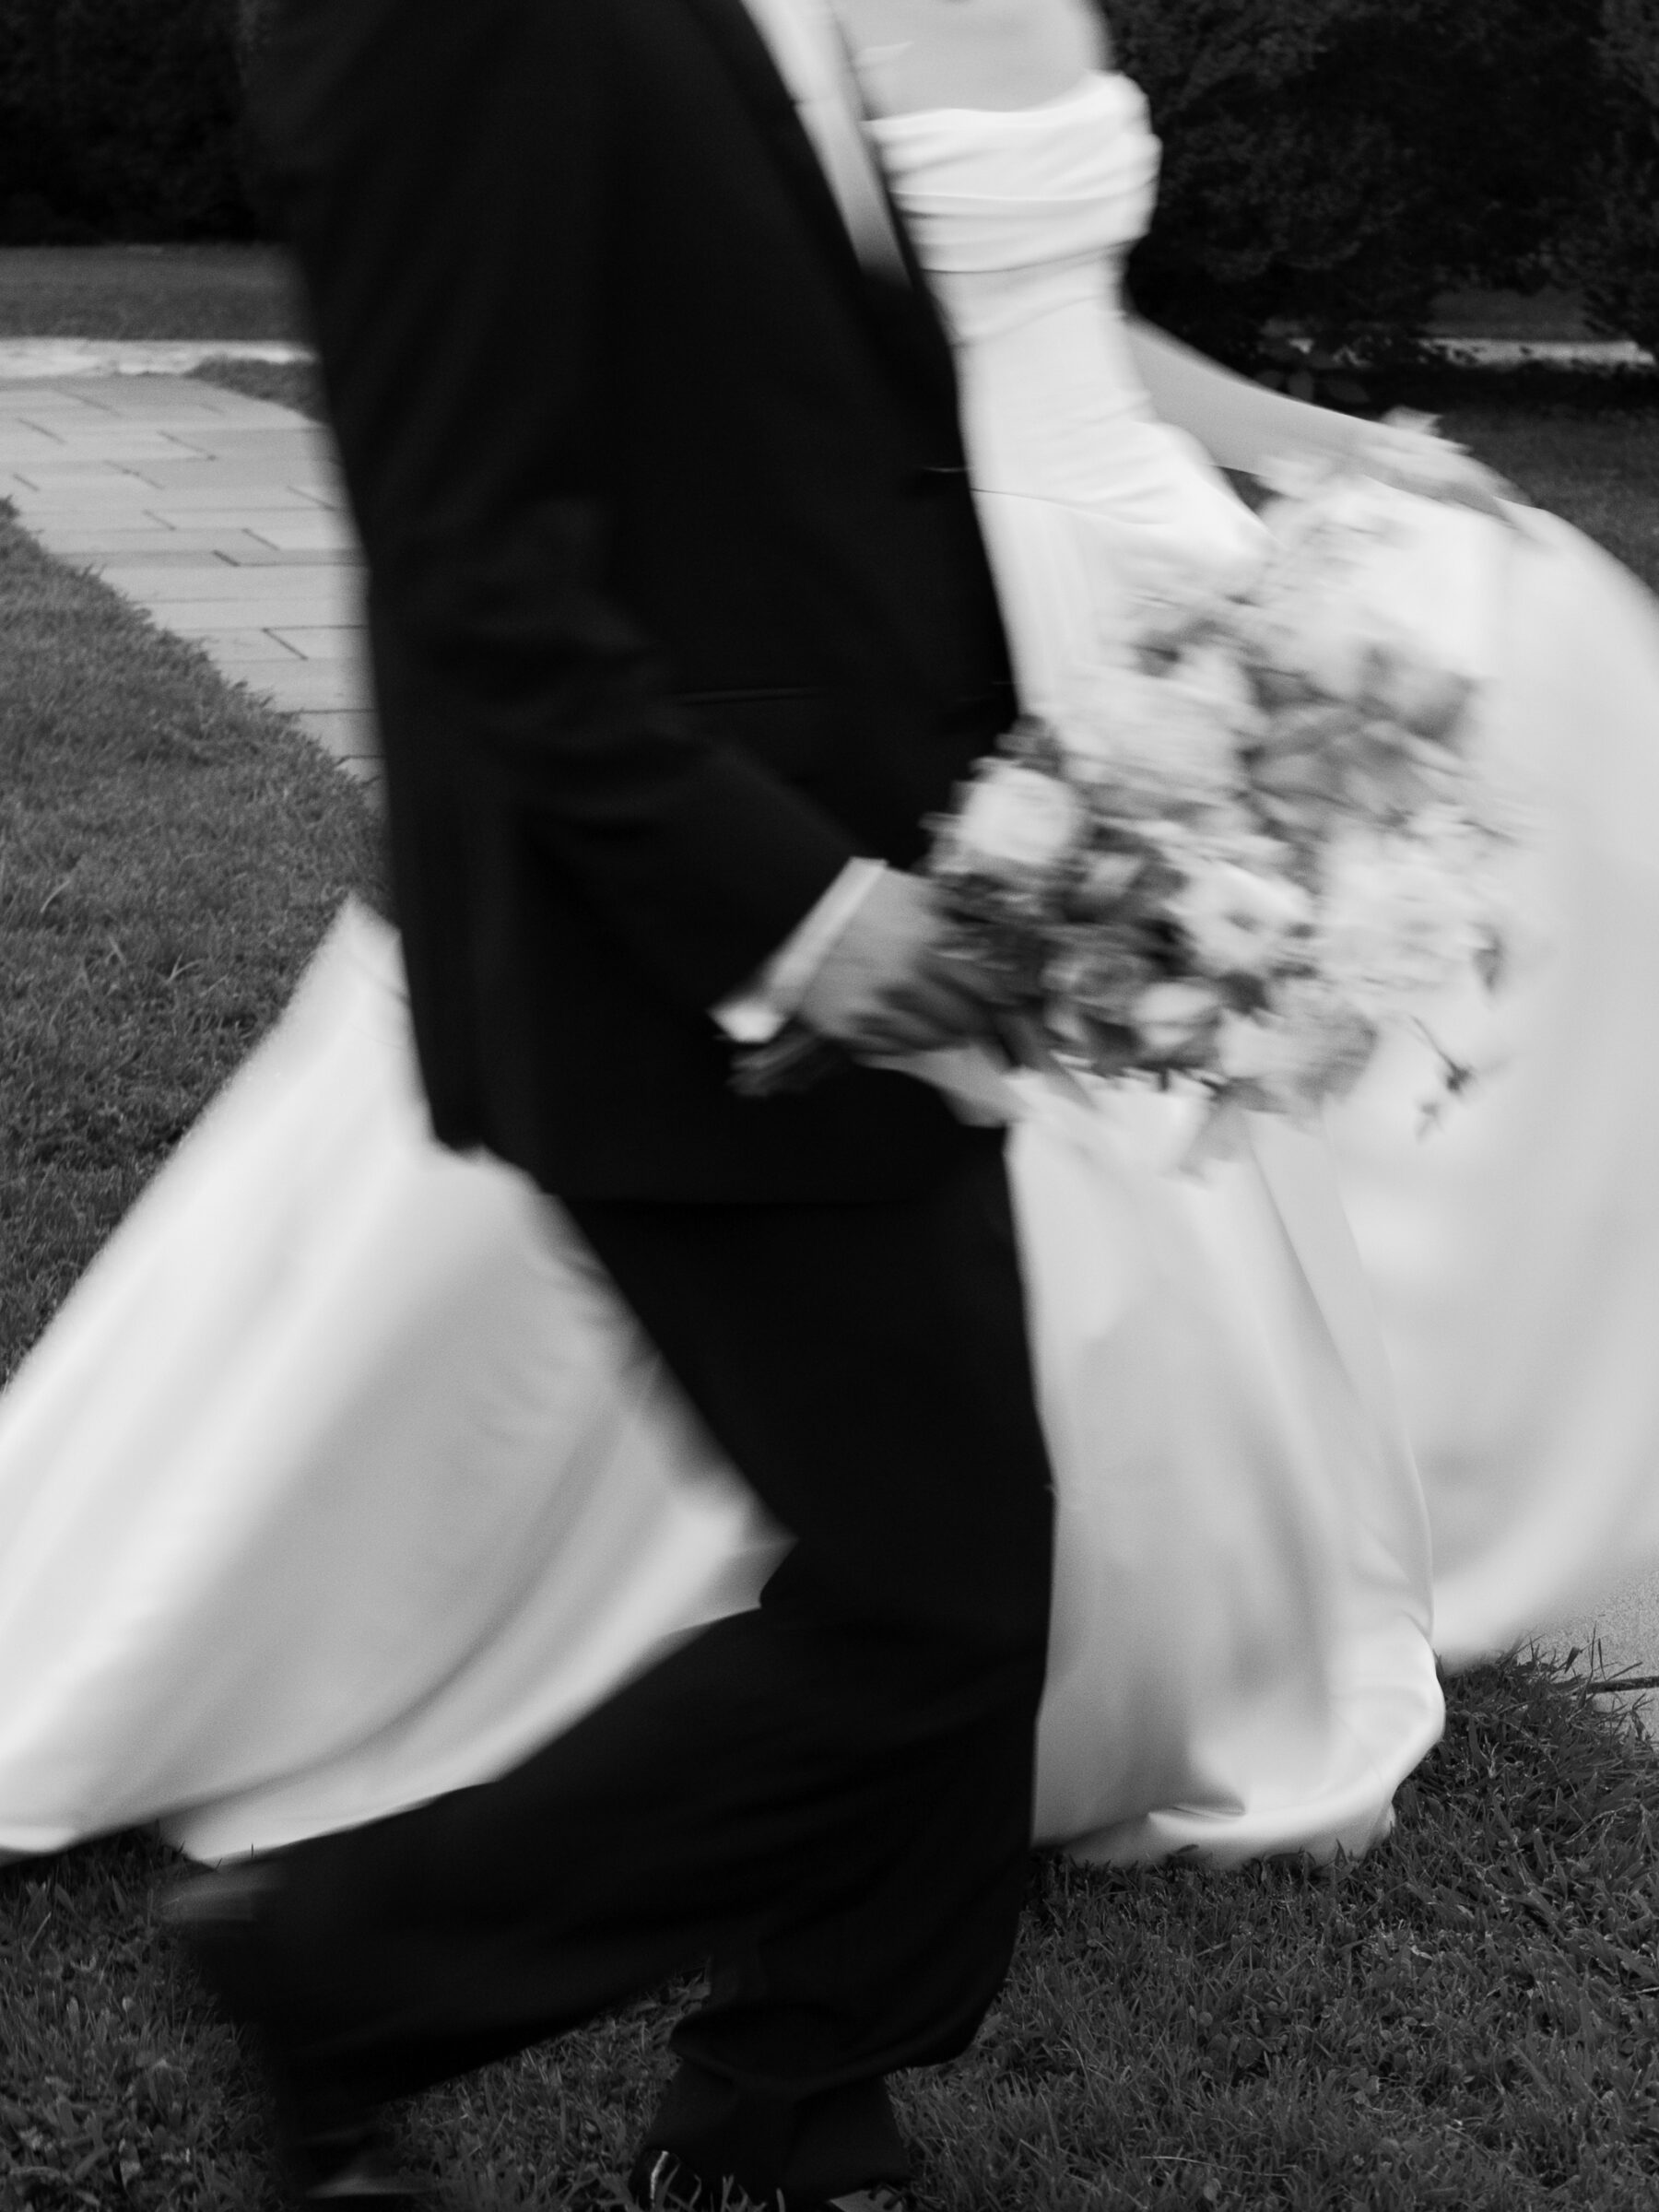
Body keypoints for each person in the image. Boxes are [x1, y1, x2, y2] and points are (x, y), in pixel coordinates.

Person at [5, 0, 1659, 2204]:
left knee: (969, 1550)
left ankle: (792, 2097)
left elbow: (883, 390)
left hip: (929, 848)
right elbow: (476, 568)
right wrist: (804, 918)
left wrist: (1089, 767)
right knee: (939, 1588)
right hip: (677, 945)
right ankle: (343, 1976)